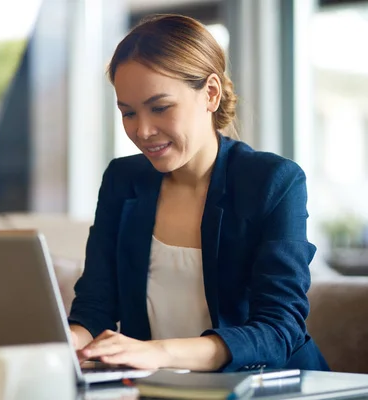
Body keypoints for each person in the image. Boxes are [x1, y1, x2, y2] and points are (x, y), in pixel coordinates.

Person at [67, 14, 329, 373]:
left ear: (210, 93)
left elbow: (279, 329)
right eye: (128, 113)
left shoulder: (273, 181)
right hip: (159, 388)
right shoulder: (122, 180)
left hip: (271, 388)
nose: (142, 130)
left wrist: (159, 353)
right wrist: (66, 342)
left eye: (160, 108)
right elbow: (95, 309)